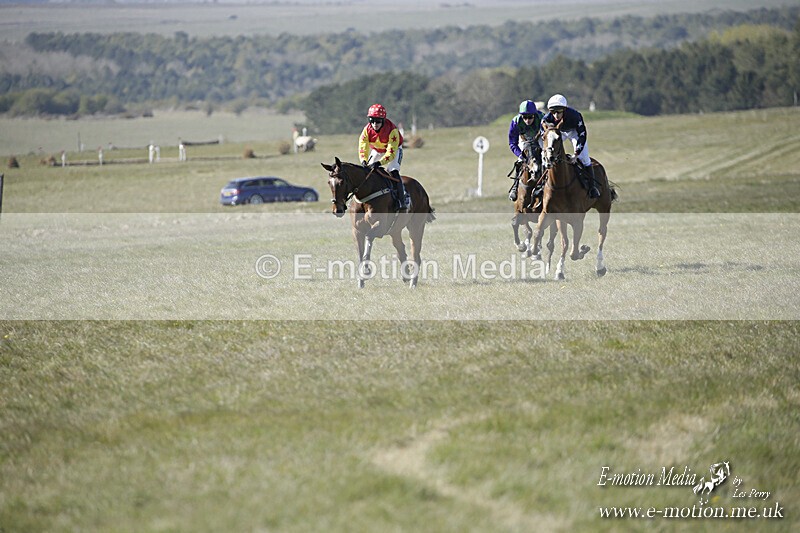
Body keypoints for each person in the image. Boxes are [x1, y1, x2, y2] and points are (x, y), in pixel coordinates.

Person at [541, 94, 600, 199]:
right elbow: (544, 136)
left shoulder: (575, 116)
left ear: (564, 109)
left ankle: (592, 187)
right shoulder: (546, 119)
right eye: (553, 112)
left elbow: (582, 135)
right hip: (559, 132)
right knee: (546, 156)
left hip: (574, 132)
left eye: (559, 112)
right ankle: (541, 186)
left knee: (585, 158)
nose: (556, 115)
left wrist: (576, 155)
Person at [358, 103, 409, 210]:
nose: (375, 124)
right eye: (372, 120)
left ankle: (401, 200)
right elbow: (363, 147)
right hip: (377, 150)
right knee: (367, 170)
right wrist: (363, 160)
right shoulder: (366, 131)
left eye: (378, 121)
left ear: (384, 120)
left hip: (393, 151)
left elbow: (390, 153)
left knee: (393, 171)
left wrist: (380, 163)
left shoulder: (392, 131)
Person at [507, 100, 544, 202]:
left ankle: (546, 184)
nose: (527, 120)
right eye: (525, 117)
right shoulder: (515, 122)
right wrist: (520, 155)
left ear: (535, 115)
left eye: (530, 117)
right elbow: (512, 143)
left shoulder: (542, 119)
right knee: (520, 161)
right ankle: (515, 187)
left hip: (539, 137)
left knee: (545, 158)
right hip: (524, 139)